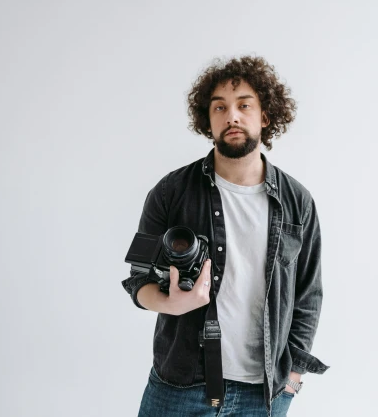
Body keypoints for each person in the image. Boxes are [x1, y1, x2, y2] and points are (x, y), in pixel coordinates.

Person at [121, 56, 328, 416]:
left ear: (264, 116)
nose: (232, 115)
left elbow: (307, 297)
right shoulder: (171, 192)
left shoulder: (298, 202)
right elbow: (137, 280)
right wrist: (170, 302)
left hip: (263, 395)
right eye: (220, 107)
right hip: (180, 385)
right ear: (208, 120)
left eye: (244, 105)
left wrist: (292, 379)